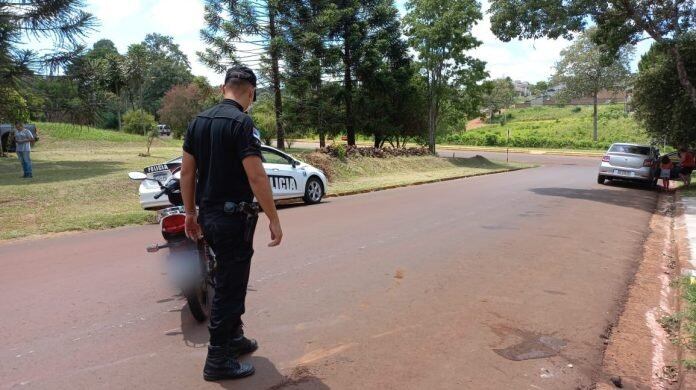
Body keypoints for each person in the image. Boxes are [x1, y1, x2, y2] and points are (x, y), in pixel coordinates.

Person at [179, 65, 283, 382]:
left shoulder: (197, 122)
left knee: (229, 280)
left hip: (208, 215)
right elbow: (256, 175)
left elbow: (187, 173)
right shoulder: (242, 123)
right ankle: (218, 359)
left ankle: (235, 338)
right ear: (250, 92)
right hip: (232, 218)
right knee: (229, 287)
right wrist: (274, 219)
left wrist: (190, 213)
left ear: (223, 87)